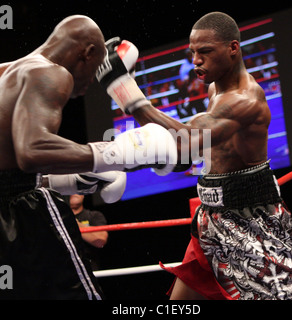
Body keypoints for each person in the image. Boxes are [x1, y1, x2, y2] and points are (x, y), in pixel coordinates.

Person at [96, 12, 292, 300]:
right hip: (210, 219)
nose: (195, 60)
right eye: (193, 52)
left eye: (205, 52)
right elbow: (199, 147)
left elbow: (190, 140)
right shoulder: (214, 89)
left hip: (250, 222)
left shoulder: (246, 100)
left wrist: (125, 91)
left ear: (233, 48)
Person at [0, 15, 177, 300]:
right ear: (87, 53)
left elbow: (9, 162)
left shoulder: (8, 71)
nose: (90, 83)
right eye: (95, 70)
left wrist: (68, 178)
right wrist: (115, 153)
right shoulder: (51, 73)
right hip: (19, 215)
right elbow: (30, 151)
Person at [70, 194, 108, 271]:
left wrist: (73, 223)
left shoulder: (94, 216)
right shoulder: (55, 219)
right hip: (65, 268)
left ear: (83, 195)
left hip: (89, 266)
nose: (74, 193)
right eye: (70, 190)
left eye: (76, 189)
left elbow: (100, 241)